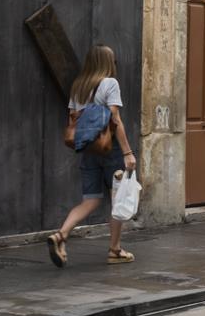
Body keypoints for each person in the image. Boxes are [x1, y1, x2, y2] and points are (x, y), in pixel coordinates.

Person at [46, 45, 137, 267]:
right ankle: (115, 250)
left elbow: (73, 119)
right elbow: (115, 120)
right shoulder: (110, 84)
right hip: (111, 149)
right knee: (117, 198)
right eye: (113, 61)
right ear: (107, 62)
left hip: (88, 150)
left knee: (91, 199)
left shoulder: (78, 86)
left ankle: (61, 235)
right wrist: (127, 152)